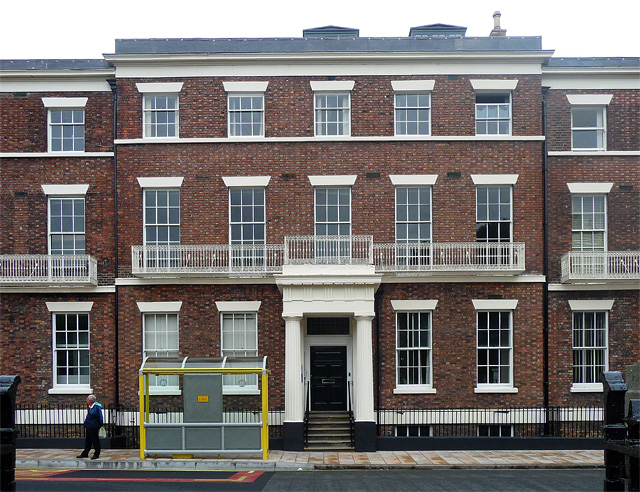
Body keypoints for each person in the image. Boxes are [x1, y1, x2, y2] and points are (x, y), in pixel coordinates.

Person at [76, 394, 103, 460]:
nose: (86, 400)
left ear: (91, 401)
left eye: (87, 399)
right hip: (89, 426)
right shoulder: (90, 407)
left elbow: (100, 417)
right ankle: (85, 453)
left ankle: (96, 454)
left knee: (95, 441)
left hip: (94, 427)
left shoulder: (96, 407)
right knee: (88, 441)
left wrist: (100, 425)